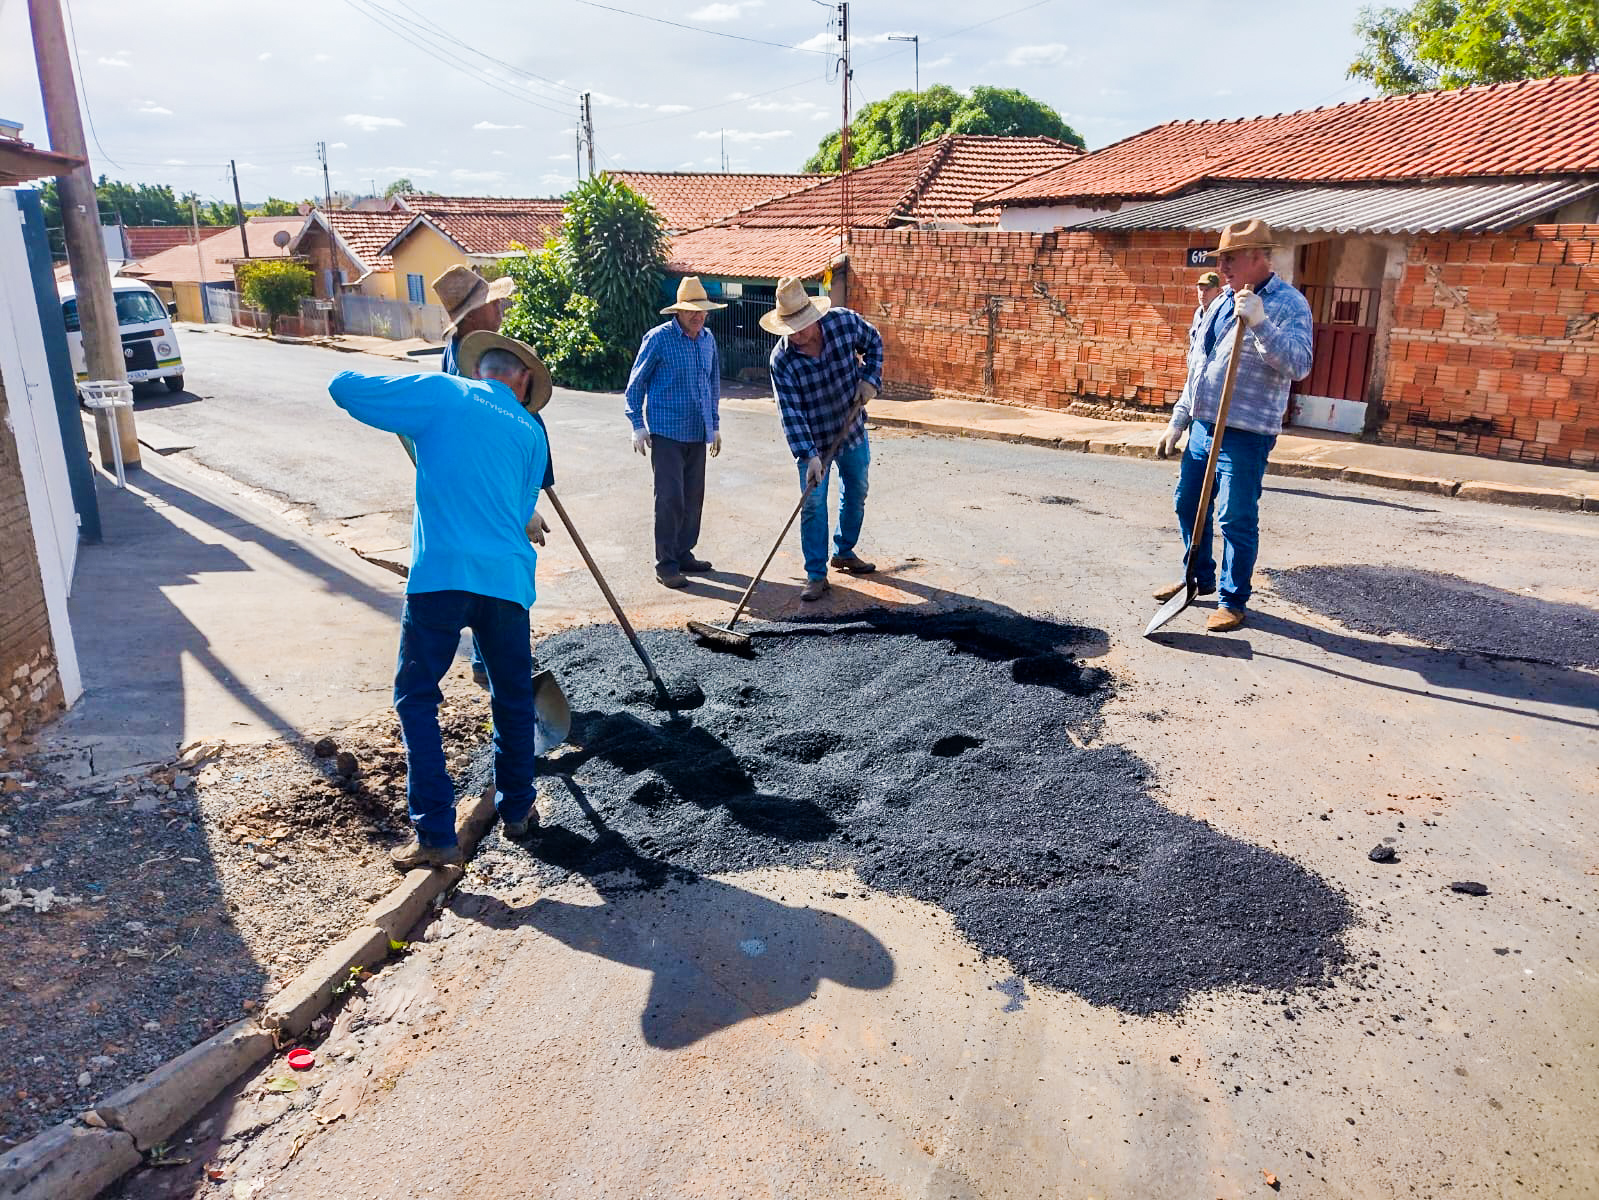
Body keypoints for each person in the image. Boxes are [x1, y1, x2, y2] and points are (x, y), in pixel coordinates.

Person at [329, 331, 554, 869]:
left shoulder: (442, 393)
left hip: (442, 576)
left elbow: (344, 386)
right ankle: (520, 812)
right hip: (505, 582)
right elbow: (524, 508)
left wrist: (413, 402)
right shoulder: (531, 429)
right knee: (513, 699)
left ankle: (436, 835)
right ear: (521, 380)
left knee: (417, 698)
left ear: (483, 370)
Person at [1155, 219, 1313, 632]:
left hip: (1245, 432)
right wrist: (1179, 420)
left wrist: (1262, 323)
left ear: (1259, 257)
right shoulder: (1221, 301)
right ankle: (1198, 576)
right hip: (1205, 425)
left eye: (1230, 258)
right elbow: (1200, 365)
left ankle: (1233, 598)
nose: (1222, 266)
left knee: (1234, 517)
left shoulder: (1289, 304)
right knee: (1187, 503)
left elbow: (1299, 365)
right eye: (1220, 258)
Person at [430, 265, 551, 685]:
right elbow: (489, 445)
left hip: (497, 487)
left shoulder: (478, 354)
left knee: (492, 578)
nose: (499, 307)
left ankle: (495, 663)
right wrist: (523, 511)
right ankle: (499, 668)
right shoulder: (466, 370)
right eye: (490, 303)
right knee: (495, 579)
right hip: (488, 495)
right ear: (471, 318)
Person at [763, 276, 884, 602]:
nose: (798, 336)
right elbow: (790, 412)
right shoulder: (781, 360)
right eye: (791, 329)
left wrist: (870, 380)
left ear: (814, 316)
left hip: (851, 428)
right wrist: (809, 456)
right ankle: (816, 574)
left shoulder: (844, 323)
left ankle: (843, 550)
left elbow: (875, 342)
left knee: (857, 488)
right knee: (813, 505)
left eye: (802, 326)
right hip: (813, 442)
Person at [624, 276, 725, 590]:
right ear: (678, 312)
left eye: (702, 311)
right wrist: (637, 425)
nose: (698, 316)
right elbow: (636, 384)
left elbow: (713, 384)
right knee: (669, 499)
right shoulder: (659, 338)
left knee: (694, 498)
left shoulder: (707, 339)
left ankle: (684, 553)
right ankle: (666, 564)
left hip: (698, 430)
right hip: (667, 432)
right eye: (691, 311)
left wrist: (716, 424)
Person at [1189, 270, 1222, 346]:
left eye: (1207, 290)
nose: (1203, 294)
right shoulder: (1198, 313)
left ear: (1218, 291)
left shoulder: (1220, 314)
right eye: (1200, 289)